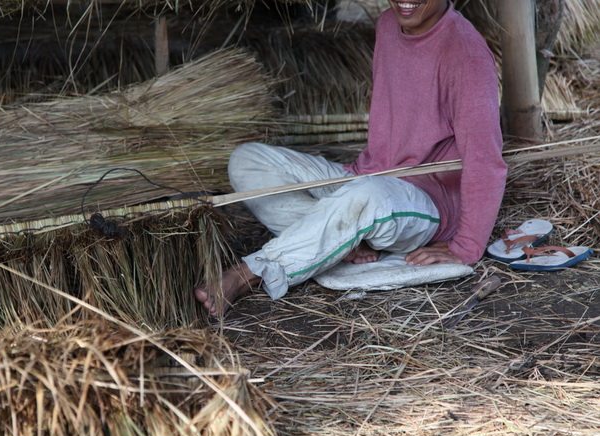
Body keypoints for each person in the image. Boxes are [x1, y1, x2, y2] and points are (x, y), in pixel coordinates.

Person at [195, 0, 508, 316]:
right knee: (246, 160)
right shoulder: (388, 25)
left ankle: (251, 272)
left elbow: (486, 160)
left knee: (366, 196)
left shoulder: (465, 54)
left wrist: (466, 245)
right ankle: (339, 242)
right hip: (365, 178)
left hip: (423, 203)